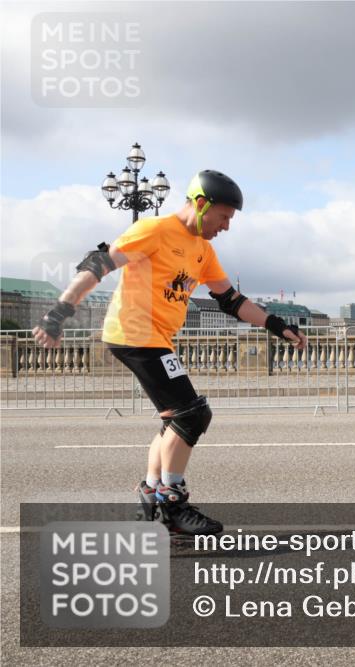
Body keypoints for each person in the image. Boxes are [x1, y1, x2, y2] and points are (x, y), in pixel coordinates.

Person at [33, 170, 307, 536]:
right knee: (191, 414)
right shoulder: (154, 230)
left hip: (157, 339)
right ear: (200, 204)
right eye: (224, 216)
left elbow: (230, 300)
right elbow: (97, 265)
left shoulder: (203, 251)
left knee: (174, 421)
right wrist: (58, 314)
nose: (226, 226)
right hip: (134, 334)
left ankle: (151, 496)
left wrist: (275, 324)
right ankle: (172, 502)